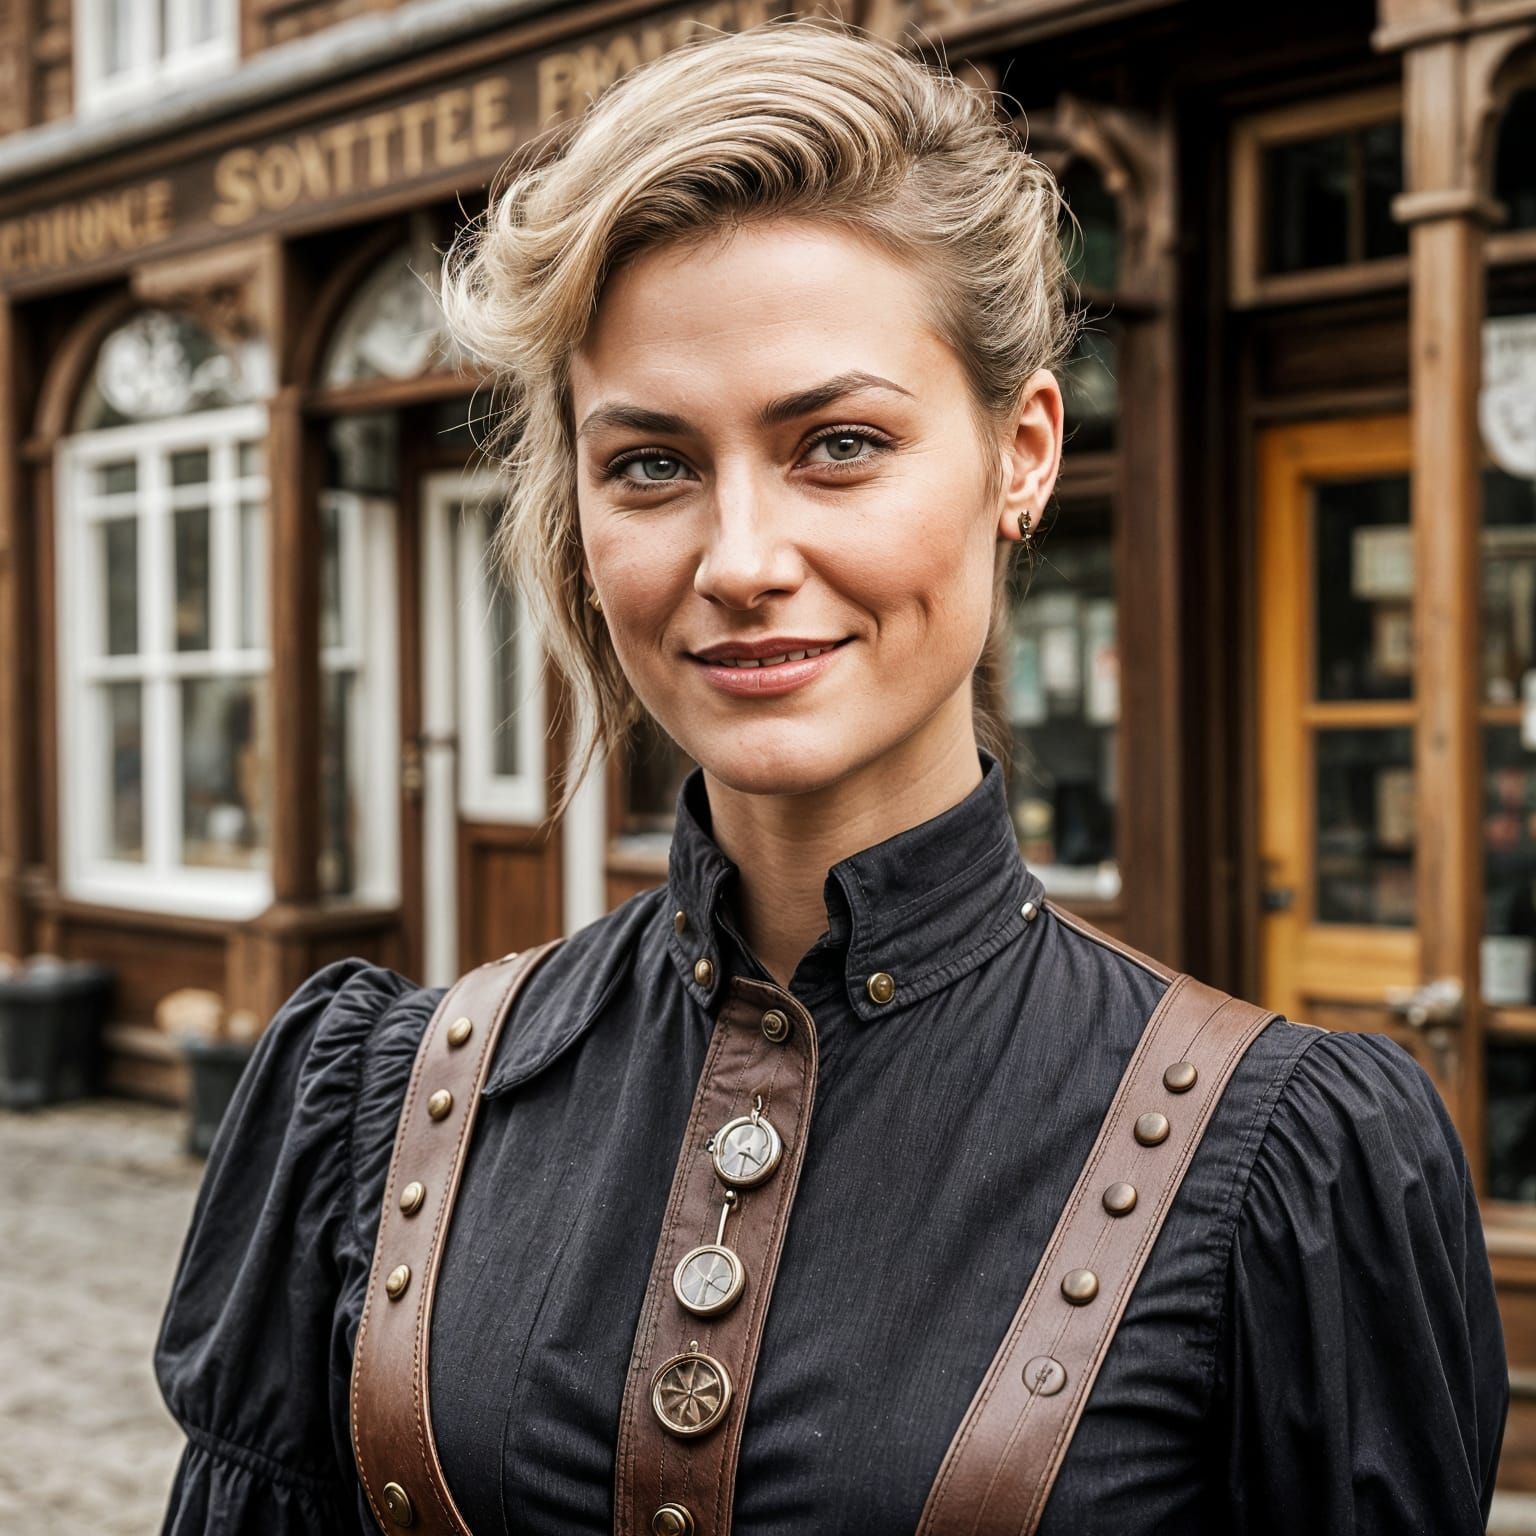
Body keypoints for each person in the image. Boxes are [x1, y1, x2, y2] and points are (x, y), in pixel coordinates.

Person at [153, 19, 1508, 1535]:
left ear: (1024, 454)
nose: (740, 562)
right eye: (652, 464)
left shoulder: (1285, 1167)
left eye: (840, 444)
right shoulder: (385, 1105)